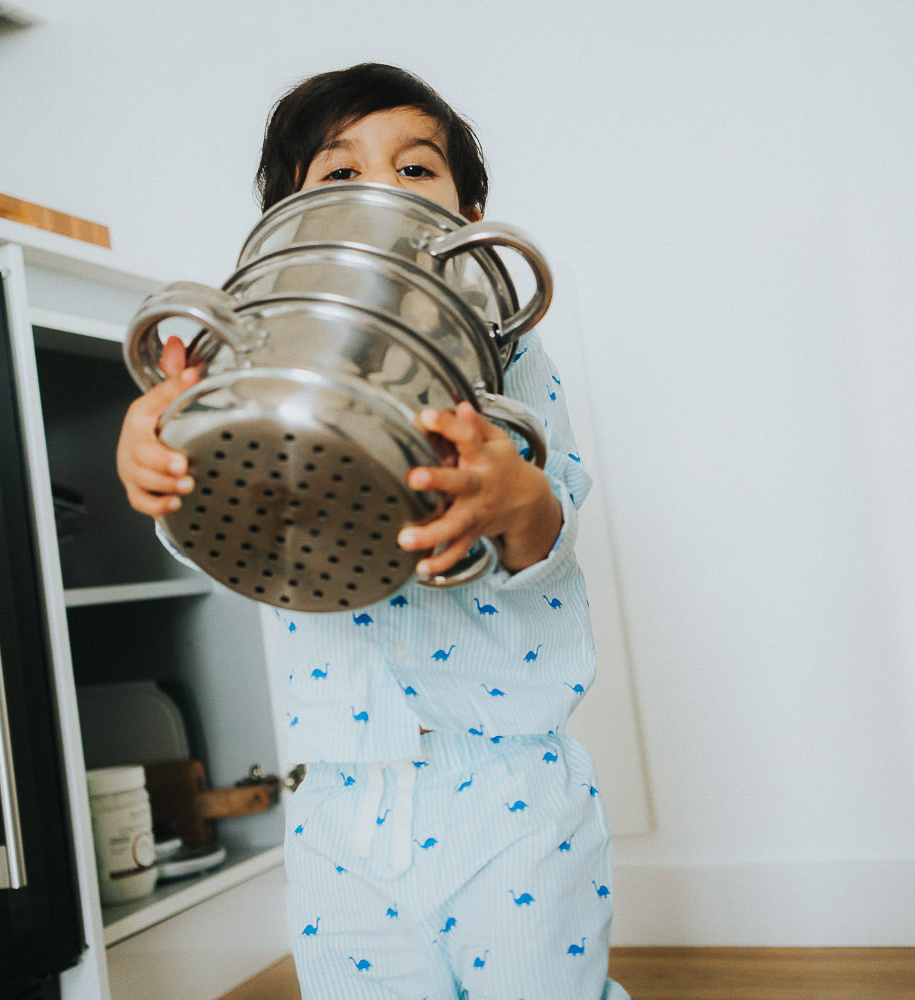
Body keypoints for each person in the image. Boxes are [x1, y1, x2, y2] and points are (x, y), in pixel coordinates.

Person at [116, 62, 629, 1000]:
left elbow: (555, 502)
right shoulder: (253, 343)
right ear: (286, 216)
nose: (382, 192)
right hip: (338, 803)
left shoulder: (506, 347)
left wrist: (515, 500)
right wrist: (156, 459)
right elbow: (225, 511)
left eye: (417, 169)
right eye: (340, 174)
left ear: (470, 215)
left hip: (505, 786)